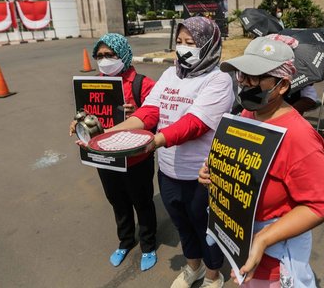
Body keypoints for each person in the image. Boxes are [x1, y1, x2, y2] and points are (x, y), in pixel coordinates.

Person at [99, 17, 234, 288]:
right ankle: (193, 268)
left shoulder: (218, 80)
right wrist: (107, 136)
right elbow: (149, 111)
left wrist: (153, 141)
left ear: (208, 45)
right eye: (180, 42)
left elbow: (194, 124)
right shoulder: (170, 74)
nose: (183, 48)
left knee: (205, 229)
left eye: (192, 43)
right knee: (183, 227)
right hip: (169, 172)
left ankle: (212, 275)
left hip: (202, 175)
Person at [199, 34, 324, 287]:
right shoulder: (247, 114)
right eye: (242, 75)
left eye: (256, 76)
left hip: (274, 263)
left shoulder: (300, 137)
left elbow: (320, 206)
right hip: (241, 245)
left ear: (282, 85)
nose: (245, 83)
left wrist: (263, 238)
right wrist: (214, 174)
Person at [69, 33, 158, 271]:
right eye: (99, 55)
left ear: (123, 55)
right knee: (117, 201)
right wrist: (78, 125)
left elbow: (156, 118)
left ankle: (148, 245)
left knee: (142, 202)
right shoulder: (92, 85)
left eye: (110, 55)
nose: (104, 60)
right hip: (105, 156)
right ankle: (126, 241)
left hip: (136, 158)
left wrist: (136, 113)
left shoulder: (142, 84)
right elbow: (86, 116)